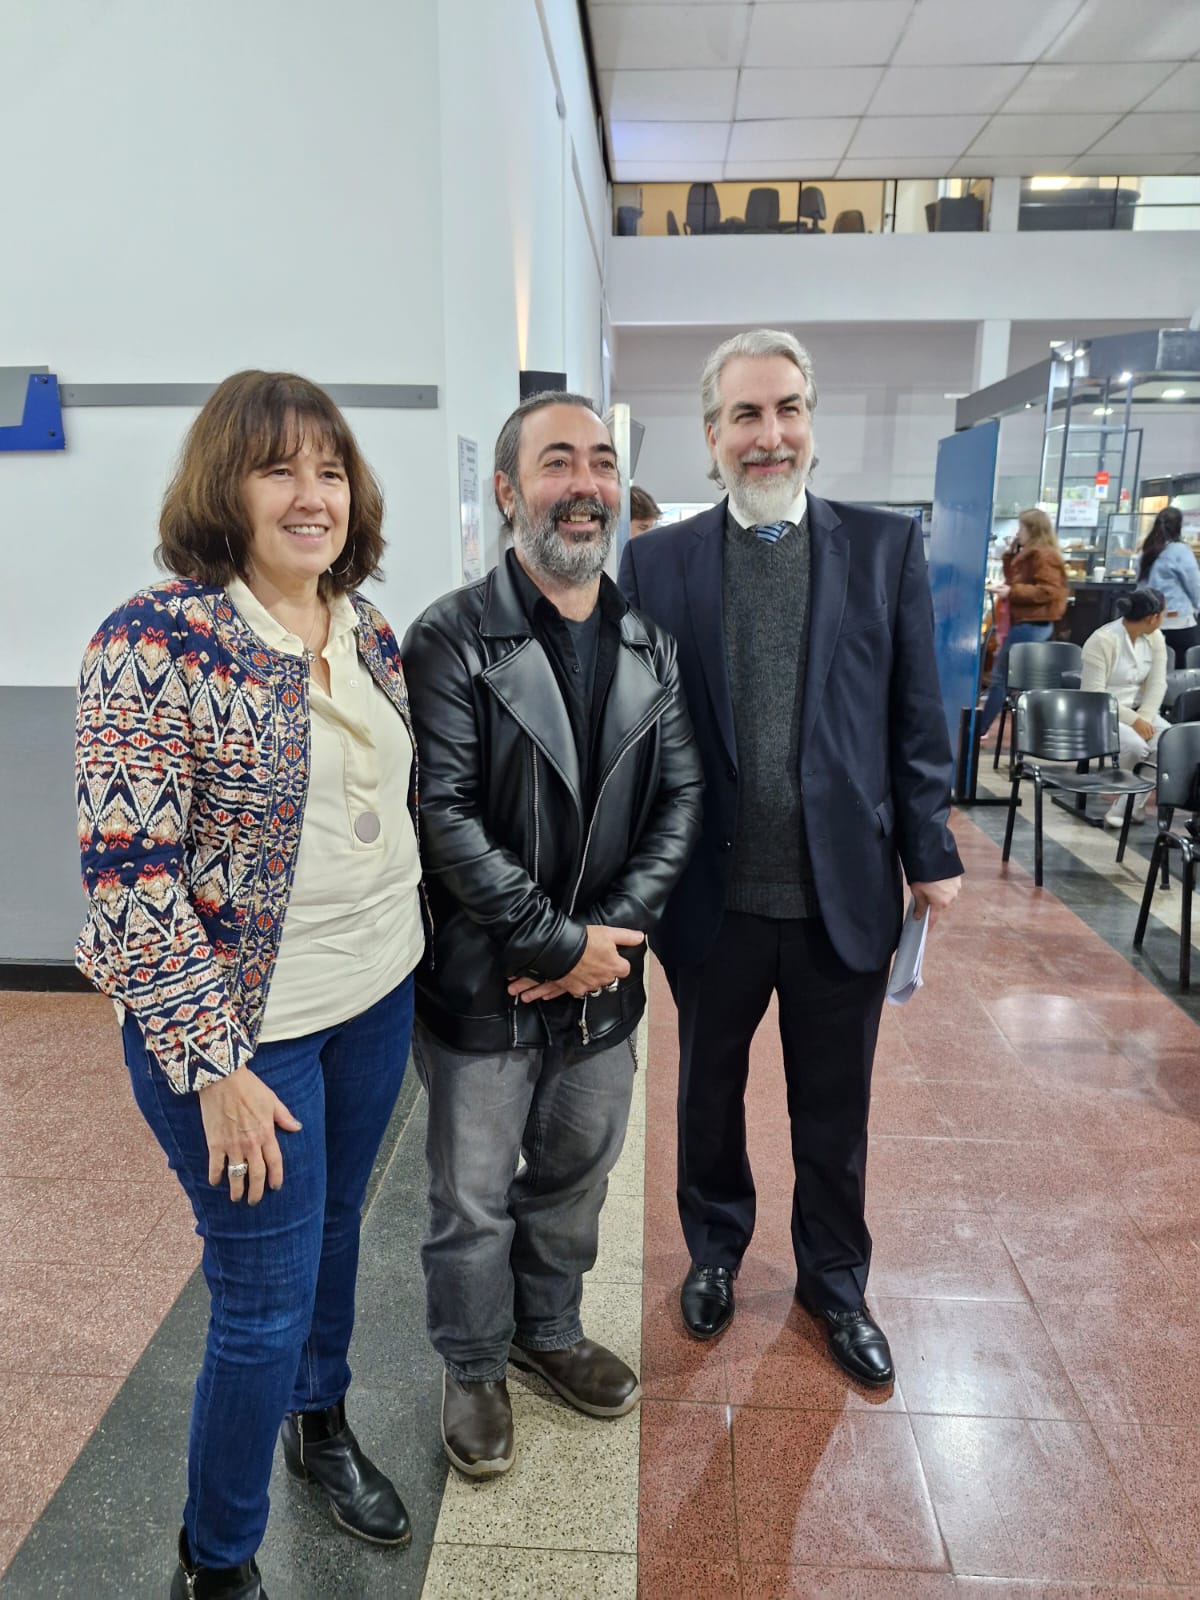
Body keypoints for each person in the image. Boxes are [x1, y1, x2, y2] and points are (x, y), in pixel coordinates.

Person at [75, 372, 423, 1599]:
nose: (311, 495)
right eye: (279, 468)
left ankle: (318, 1422)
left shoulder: (366, 630)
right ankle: (215, 1560)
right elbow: (129, 875)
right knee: (260, 1297)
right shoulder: (154, 641)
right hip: (244, 1034)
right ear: (224, 486)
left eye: (330, 470)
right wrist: (213, 1064)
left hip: (376, 995)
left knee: (337, 1230)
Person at [618, 328, 962, 1388]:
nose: (769, 436)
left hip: (839, 891)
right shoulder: (658, 562)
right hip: (711, 894)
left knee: (834, 1105)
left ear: (813, 422)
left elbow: (915, 714)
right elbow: (636, 728)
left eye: (788, 410)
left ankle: (835, 1280)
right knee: (707, 1095)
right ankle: (715, 1250)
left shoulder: (884, 547)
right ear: (710, 435)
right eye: (746, 416)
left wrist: (930, 847)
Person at [400, 392, 703, 1478]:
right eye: (558, 461)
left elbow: (681, 802)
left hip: (604, 984)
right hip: (483, 983)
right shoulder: (448, 637)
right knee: (471, 1199)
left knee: (578, 1173)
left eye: (602, 462)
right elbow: (443, 815)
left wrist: (601, 943)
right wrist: (548, 944)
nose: (586, 485)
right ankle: (474, 1362)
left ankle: (550, 1330)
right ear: (506, 490)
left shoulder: (650, 644)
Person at [1080, 586, 1169, 828]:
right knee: (1136, 747)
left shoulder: (1155, 638)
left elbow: (1157, 684)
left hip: (1141, 711)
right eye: (1164, 614)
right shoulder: (1102, 640)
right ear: (1152, 617)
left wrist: (1146, 717)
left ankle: (1127, 806)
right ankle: (1129, 805)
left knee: (1168, 743)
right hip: (1102, 713)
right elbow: (1094, 695)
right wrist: (1134, 720)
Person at [978, 508, 1070, 743]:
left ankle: (981, 727)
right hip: (1028, 623)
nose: (1018, 532)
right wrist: (1011, 553)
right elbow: (1016, 580)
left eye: (1021, 528)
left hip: (1031, 624)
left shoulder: (1044, 556)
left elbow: (1048, 591)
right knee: (1010, 678)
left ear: (1032, 529)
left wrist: (1012, 592)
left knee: (1001, 677)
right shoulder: (1033, 554)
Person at [1137, 506, 1200, 666]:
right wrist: (1197, 606)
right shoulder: (1180, 550)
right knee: (1182, 672)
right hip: (1178, 622)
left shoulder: (1146, 551)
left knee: (1151, 670)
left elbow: (1140, 584)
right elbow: (1194, 585)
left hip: (1148, 622)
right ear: (1179, 526)